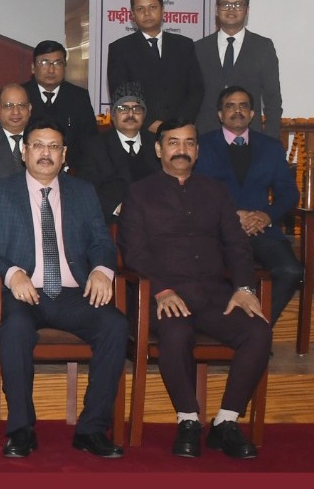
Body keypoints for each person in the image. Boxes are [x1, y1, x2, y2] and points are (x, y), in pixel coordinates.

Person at [0, 117, 125, 459]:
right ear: (24, 152)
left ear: (64, 154)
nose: (45, 153)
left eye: (54, 147)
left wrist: (102, 271)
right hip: (22, 292)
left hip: (73, 292)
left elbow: (102, 241)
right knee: (15, 328)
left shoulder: (83, 191)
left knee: (115, 324)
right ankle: (21, 429)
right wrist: (11, 273)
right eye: (38, 145)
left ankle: (92, 429)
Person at [120, 120, 272, 460]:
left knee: (258, 331)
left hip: (214, 295)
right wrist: (162, 290)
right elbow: (134, 252)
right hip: (163, 295)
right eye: (173, 142)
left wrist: (244, 287)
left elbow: (236, 245)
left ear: (198, 151)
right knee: (176, 332)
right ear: (159, 149)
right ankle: (188, 420)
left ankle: (225, 422)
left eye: (189, 143)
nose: (182, 150)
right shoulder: (139, 193)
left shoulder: (216, 191)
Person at [193, 87, 303, 326]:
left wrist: (267, 215)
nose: (237, 110)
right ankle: (230, 330)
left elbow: (289, 193)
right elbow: (194, 192)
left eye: (243, 106)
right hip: (216, 232)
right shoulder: (201, 146)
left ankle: (255, 330)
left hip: (261, 230)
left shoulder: (271, 147)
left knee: (291, 271)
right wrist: (231, 216)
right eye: (230, 106)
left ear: (252, 114)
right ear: (220, 114)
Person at [106, 0, 204, 130]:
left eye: (153, 7)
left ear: (163, 10)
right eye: (140, 9)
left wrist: (180, 123)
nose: (147, 13)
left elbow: (196, 89)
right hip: (140, 131)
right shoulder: (120, 49)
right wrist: (149, 123)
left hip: (180, 130)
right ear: (132, 15)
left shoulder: (184, 45)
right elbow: (120, 93)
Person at [195, 0, 281, 133]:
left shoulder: (263, 47)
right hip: (206, 135)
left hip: (250, 136)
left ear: (247, 10)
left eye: (238, 5)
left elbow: (272, 98)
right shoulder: (199, 48)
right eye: (226, 4)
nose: (231, 9)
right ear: (216, 9)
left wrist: (270, 138)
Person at [75, 89, 161, 224]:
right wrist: (117, 208)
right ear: (113, 115)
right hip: (112, 222)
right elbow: (84, 189)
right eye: (123, 109)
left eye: (137, 109)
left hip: (155, 218)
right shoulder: (95, 146)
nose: (130, 114)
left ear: (144, 116)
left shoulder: (156, 144)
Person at [22, 41, 97, 164]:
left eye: (57, 63)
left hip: (70, 169)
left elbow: (90, 142)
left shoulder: (79, 97)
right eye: (44, 62)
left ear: (65, 67)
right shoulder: (21, 95)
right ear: (33, 67)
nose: (51, 70)